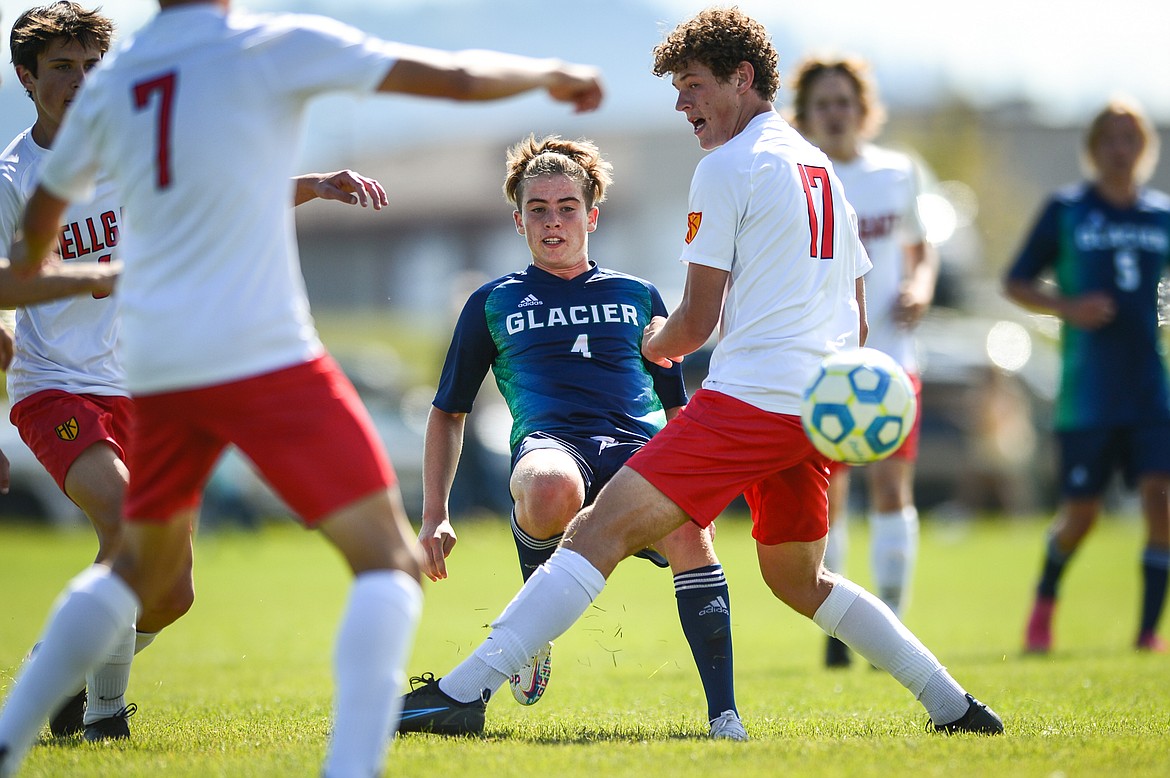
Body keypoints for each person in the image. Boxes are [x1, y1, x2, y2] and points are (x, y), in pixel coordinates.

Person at [0, 0, 603, 774]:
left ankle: (23, 733)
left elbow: (44, 231)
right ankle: (346, 766)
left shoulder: (123, 80)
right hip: (256, 348)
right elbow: (451, 78)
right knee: (387, 561)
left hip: (159, 367)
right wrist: (550, 74)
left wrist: (303, 186)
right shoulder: (268, 42)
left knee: (140, 571)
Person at [395, 6, 1002, 738]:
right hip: (815, 407)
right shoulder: (823, 171)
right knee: (797, 579)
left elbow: (694, 326)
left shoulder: (726, 165)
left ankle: (460, 694)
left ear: (742, 79)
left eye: (692, 87)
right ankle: (955, 707)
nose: (682, 105)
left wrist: (650, 342)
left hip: (752, 400)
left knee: (594, 533)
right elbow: (861, 315)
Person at [1, 1, 402, 747]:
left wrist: (313, 182)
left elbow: (222, 196)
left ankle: (61, 673)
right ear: (26, 78)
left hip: (150, 387)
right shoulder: (16, 177)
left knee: (171, 593)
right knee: (126, 529)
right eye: (61, 68)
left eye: (92, 66)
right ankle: (102, 717)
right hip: (56, 387)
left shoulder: (131, 148)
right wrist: (82, 276)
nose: (81, 82)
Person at [416, 133, 743, 738]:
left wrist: (700, 493)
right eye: (537, 209)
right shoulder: (491, 302)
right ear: (518, 221)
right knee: (546, 487)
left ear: (592, 214)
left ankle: (724, 716)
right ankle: (532, 628)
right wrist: (435, 512)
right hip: (552, 445)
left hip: (640, 451)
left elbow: (679, 406)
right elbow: (447, 411)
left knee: (691, 537)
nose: (552, 220)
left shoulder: (638, 294)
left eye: (567, 206)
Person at [1004, 97, 1170, 654]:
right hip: (1089, 395)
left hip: (1150, 388)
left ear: (1145, 149)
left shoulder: (1160, 217)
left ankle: (1147, 632)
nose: (1121, 150)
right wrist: (1070, 308)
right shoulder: (1068, 210)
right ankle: (1043, 605)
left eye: (1131, 140)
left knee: (1161, 500)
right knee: (1081, 515)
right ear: (1094, 149)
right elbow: (1016, 281)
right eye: (1110, 140)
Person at [789, 54, 939, 668]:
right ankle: (841, 630)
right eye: (822, 104)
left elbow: (920, 250)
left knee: (891, 487)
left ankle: (892, 627)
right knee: (832, 493)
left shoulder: (897, 173)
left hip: (893, 360)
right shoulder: (797, 177)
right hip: (825, 363)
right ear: (805, 115)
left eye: (843, 102)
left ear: (863, 109)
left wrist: (920, 288)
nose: (833, 113)